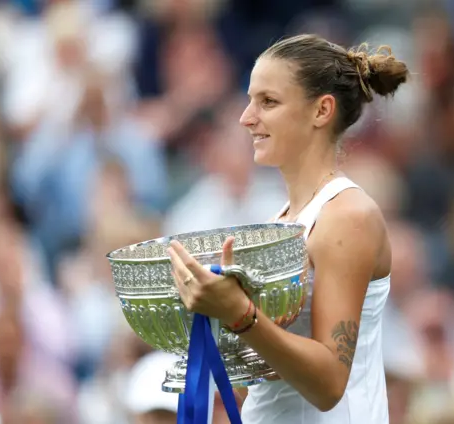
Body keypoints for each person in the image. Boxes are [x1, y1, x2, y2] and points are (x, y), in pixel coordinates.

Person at [167, 33, 409, 423]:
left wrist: (237, 312)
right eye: (250, 100)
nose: (246, 117)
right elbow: (273, 372)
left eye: (268, 102)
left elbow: (329, 383)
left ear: (321, 110)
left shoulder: (347, 215)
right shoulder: (282, 220)